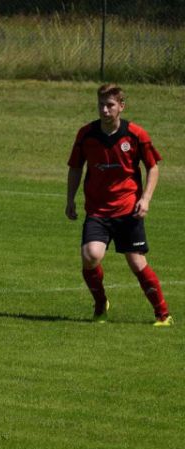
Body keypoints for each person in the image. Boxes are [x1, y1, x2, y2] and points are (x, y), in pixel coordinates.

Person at [66, 84, 172, 327]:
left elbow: (153, 167)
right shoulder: (86, 134)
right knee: (91, 256)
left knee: (136, 263)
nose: (105, 110)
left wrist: (146, 198)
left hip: (128, 210)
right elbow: (75, 167)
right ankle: (100, 304)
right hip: (97, 211)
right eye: (101, 105)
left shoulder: (136, 134)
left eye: (110, 105)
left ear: (121, 106)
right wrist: (70, 199)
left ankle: (163, 315)